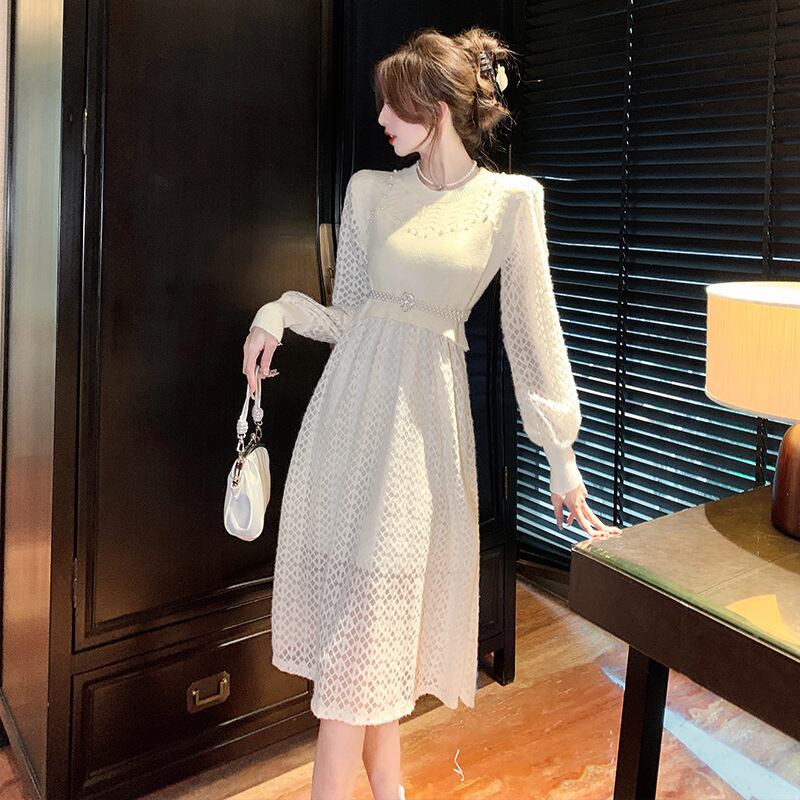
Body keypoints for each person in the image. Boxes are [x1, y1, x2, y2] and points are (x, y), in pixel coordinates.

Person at [241, 25, 623, 800]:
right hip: (347, 420)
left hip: (419, 436)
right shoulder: (369, 191)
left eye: (395, 105)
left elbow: (532, 333)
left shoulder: (511, 202)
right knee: (361, 644)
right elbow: (349, 316)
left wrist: (562, 456)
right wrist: (278, 312)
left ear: (438, 108)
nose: (381, 119)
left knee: (367, 640)